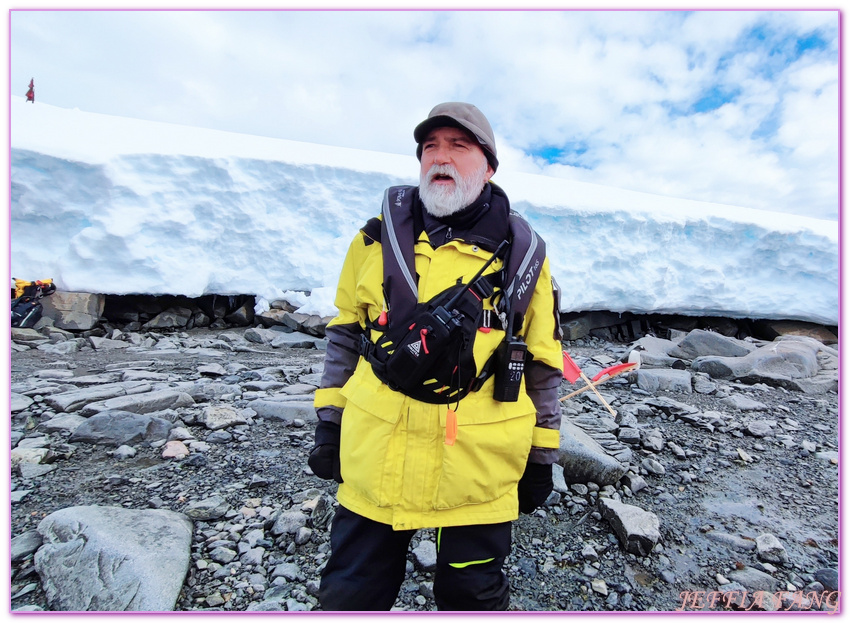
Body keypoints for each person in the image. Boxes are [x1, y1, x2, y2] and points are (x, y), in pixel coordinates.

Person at [308, 102, 564, 611]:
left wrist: (542, 454)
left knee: (472, 595)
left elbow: (542, 362)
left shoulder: (525, 255)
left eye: (458, 146)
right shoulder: (375, 238)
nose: (439, 158)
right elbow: (344, 333)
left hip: (477, 464)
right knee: (350, 591)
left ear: (488, 166)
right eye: (430, 148)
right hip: (377, 447)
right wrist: (330, 420)